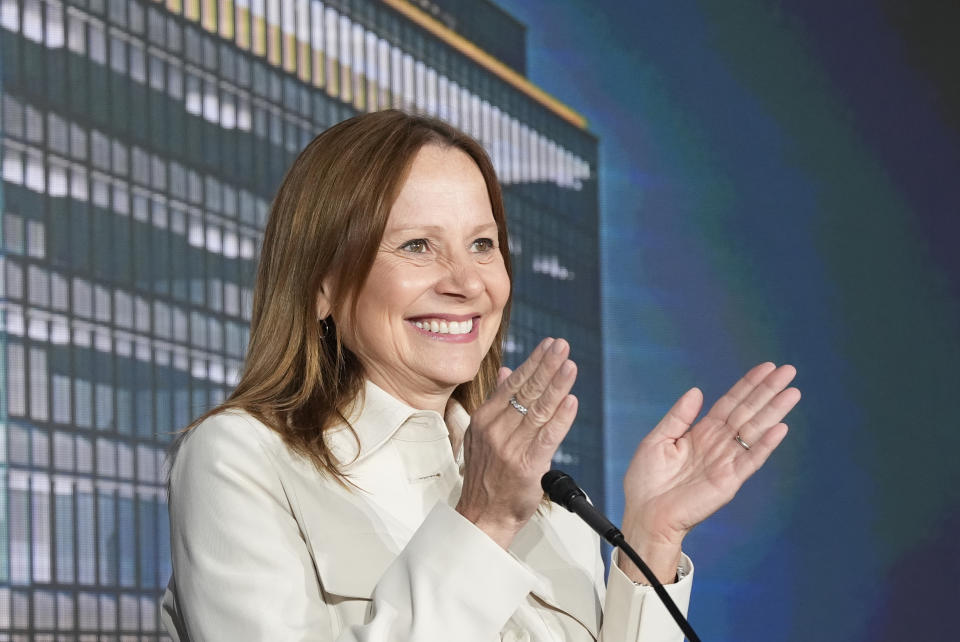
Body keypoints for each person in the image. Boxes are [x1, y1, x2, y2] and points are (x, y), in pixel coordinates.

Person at [160, 110, 800, 641]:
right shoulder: (238, 458)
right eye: (416, 246)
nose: (466, 284)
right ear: (321, 284)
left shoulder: (544, 493)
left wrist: (652, 539)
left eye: (482, 245)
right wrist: (481, 521)